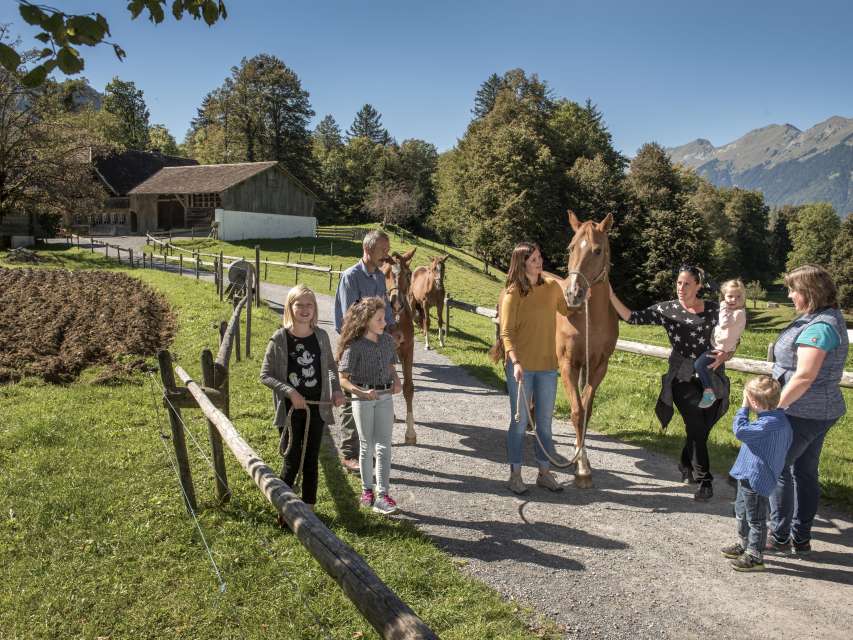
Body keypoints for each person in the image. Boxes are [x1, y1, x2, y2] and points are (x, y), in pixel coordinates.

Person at [609, 265, 732, 501]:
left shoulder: (716, 310)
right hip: (682, 376)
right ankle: (704, 480)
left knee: (704, 426)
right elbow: (632, 317)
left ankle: (686, 462)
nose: (681, 288)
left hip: (712, 375)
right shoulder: (668, 309)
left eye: (687, 284)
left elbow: (733, 334)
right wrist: (611, 295)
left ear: (698, 286)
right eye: (678, 283)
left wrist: (728, 354)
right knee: (696, 422)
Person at [767, 265, 849, 555]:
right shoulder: (819, 318)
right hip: (817, 410)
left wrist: (775, 408)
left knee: (777, 468)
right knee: (805, 471)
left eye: (793, 290)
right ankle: (799, 538)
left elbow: (804, 376)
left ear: (809, 292)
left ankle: (778, 536)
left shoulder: (821, 326)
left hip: (803, 411)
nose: (789, 295)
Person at [499, 242, 580, 495]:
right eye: (533, 259)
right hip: (521, 369)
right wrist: (515, 361)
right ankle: (515, 475)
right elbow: (506, 332)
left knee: (544, 424)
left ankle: (544, 473)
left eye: (539, 257)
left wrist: (579, 298)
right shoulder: (513, 293)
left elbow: (566, 309)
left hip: (547, 367)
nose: (539, 262)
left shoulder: (552, 287)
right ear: (522, 264)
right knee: (520, 422)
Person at [260, 285, 345, 520]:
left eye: (309, 305)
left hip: (317, 407)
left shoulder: (320, 336)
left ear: (315, 308)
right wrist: (290, 392)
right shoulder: (280, 338)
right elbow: (265, 374)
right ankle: (284, 510)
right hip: (290, 409)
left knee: (311, 457)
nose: (305, 309)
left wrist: (336, 390)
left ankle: (309, 510)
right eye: (300, 304)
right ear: (290, 307)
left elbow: (329, 367)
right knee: (292, 457)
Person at [333, 230, 397, 474]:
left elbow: (385, 309)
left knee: (375, 394)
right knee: (354, 397)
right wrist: (365, 340)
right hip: (357, 346)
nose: (386, 255)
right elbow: (346, 319)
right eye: (382, 250)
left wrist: (391, 329)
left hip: (377, 346)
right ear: (368, 250)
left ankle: (366, 449)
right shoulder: (351, 277)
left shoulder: (380, 277)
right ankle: (349, 454)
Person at [337, 297, 403, 515]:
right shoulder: (354, 346)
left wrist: (396, 379)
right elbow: (343, 379)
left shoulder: (386, 341)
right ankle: (367, 491)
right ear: (366, 321)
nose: (385, 323)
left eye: (384, 318)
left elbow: (391, 364)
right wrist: (361, 392)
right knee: (366, 446)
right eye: (380, 319)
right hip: (363, 400)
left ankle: (383, 495)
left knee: (384, 446)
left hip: (385, 397)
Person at [721, 376, 792, 572]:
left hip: (756, 477)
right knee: (741, 511)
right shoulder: (777, 419)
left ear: (753, 401)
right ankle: (744, 544)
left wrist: (743, 408)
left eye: (748, 398)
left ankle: (755, 555)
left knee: (755, 519)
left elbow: (740, 431)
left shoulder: (768, 424)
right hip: (748, 473)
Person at [694, 279, 747, 408]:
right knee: (701, 366)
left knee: (699, 365)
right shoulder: (730, 311)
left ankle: (709, 392)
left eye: (738, 297)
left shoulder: (737, 312)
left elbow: (724, 324)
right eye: (730, 296)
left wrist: (723, 305)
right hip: (716, 346)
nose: (733, 300)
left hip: (720, 349)